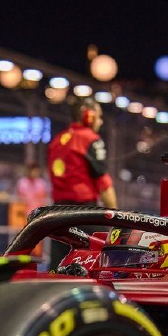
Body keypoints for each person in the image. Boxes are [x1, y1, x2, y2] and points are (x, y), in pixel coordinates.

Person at [47, 95, 117, 270]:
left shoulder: (57, 140)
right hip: (84, 214)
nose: (100, 122)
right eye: (99, 117)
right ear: (89, 116)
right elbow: (103, 183)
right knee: (99, 267)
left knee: (58, 268)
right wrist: (117, 220)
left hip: (57, 215)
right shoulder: (90, 139)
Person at [15, 161, 50, 256]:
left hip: (38, 215)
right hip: (24, 215)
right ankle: (23, 255)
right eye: (32, 170)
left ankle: (37, 256)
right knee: (24, 237)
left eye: (35, 170)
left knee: (37, 237)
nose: (33, 173)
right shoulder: (22, 182)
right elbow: (18, 199)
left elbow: (44, 199)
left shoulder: (42, 183)